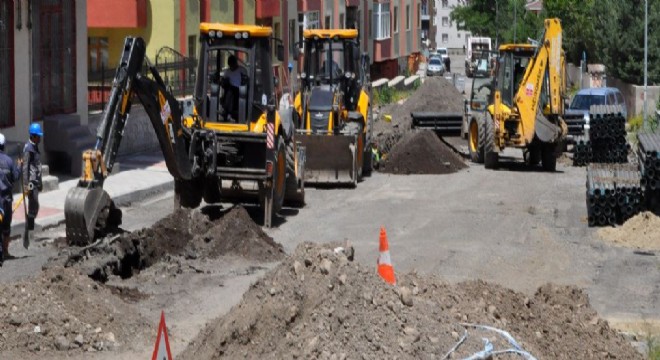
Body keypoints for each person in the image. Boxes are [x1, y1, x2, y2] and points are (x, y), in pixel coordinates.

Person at [0, 133, 20, 265]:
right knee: (6, 227)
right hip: (5, 199)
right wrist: (19, 165)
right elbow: (16, 177)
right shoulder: (8, 161)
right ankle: (5, 251)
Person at [22, 123, 43, 244]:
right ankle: (29, 231)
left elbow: (37, 166)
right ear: (33, 136)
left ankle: (30, 230)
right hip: (31, 182)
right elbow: (25, 168)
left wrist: (40, 183)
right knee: (33, 205)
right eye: (38, 136)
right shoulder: (28, 148)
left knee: (34, 207)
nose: (40, 138)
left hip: (36, 181)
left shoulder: (35, 146)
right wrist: (26, 185)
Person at [221, 55, 247, 120]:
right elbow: (224, 81)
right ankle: (227, 110)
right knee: (229, 92)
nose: (232, 67)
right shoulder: (227, 72)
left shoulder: (242, 70)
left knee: (233, 92)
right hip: (230, 89)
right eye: (230, 66)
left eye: (233, 65)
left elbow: (246, 80)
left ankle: (230, 111)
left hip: (240, 90)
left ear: (236, 63)